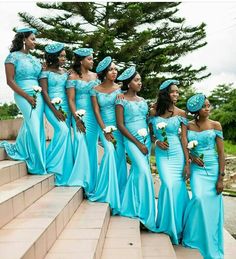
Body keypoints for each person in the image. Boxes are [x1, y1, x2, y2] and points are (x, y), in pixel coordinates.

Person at [183, 93, 225, 259]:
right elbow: (185, 146)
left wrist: (221, 178)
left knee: (212, 208)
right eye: (204, 106)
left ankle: (210, 240)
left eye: (209, 105)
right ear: (196, 110)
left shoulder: (216, 125)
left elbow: (221, 153)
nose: (208, 109)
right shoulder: (188, 125)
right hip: (197, 170)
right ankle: (194, 236)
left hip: (213, 168)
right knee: (199, 198)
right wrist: (192, 157)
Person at [116, 66, 157, 231]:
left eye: (140, 80)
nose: (140, 83)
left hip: (145, 139)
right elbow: (120, 125)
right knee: (144, 172)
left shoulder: (143, 101)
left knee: (136, 173)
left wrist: (151, 135)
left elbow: (146, 120)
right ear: (128, 83)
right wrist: (137, 143)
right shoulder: (121, 100)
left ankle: (132, 206)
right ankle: (143, 213)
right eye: (136, 80)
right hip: (132, 140)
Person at [0, 28, 46, 174]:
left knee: (36, 125)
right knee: (33, 125)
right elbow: (10, 81)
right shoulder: (12, 57)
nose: (35, 42)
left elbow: (40, 78)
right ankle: (38, 164)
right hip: (23, 94)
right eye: (32, 39)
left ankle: (28, 152)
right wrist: (26, 96)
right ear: (24, 40)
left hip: (37, 95)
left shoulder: (35, 59)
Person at [149, 79, 190, 244]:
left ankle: (178, 227)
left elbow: (184, 139)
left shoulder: (181, 114)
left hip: (177, 154)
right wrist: (157, 142)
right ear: (165, 93)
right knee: (167, 184)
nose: (176, 94)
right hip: (162, 154)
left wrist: (187, 163)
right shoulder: (153, 112)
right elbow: (150, 134)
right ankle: (167, 225)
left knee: (178, 187)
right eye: (173, 91)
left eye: (178, 92)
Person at [88, 56, 127, 214]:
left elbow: (123, 109)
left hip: (119, 128)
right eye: (111, 69)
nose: (114, 72)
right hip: (104, 127)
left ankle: (119, 194)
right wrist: (105, 130)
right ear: (104, 73)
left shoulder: (120, 89)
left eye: (115, 69)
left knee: (119, 159)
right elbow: (96, 111)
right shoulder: (94, 90)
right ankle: (106, 192)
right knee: (109, 153)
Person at [66, 48, 100, 193]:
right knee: (80, 141)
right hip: (79, 114)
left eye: (92, 59)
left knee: (91, 147)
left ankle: (91, 180)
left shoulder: (96, 76)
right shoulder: (72, 77)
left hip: (93, 116)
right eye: (89, 59)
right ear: (81, 61)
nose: (92, 61)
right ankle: (81, 178)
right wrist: (77, 119)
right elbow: (71, 99)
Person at [39, 42, 73, 185]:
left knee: (67, 137)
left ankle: (65, 171)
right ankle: (51, 163)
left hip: (66, 106)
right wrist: (55, 110)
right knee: (63, 131)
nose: (64, 59)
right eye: (61, 56)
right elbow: (45, 92)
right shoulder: (44, 73)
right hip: (51, 105)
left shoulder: (66, 73)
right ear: (53, 57)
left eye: (65, 56)